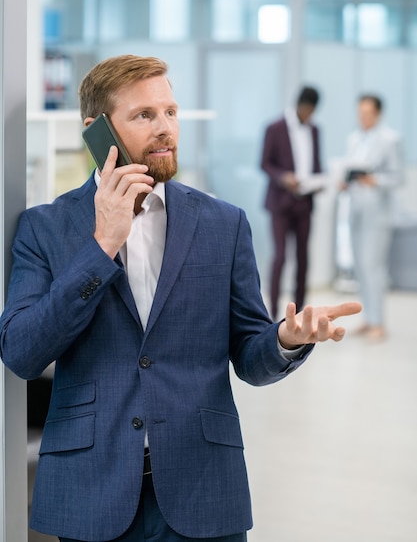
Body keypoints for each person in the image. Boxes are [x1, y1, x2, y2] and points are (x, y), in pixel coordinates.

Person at [0, 55, 360, 542]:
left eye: (170, 112)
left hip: (203, 485)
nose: (165, 128)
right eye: (144, 115)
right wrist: (102, 245)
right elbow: (22, 352)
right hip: (91, 490)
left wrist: (285, 340)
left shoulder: (223, 223)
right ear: (96, 130)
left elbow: (250, 354)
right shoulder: (45, 228)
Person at [340, 94, 402, 341]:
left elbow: (398, 177)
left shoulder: (390, 140)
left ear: (378, 114)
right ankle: (368, 319)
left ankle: (379, 322)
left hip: (377, 216)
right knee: (361, 268)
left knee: (374, 268)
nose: (363, 117)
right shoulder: (354, 139)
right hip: (356, 210)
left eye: (367, 113)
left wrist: (373, 180)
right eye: (360, 112)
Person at [260, 86, 323, 321]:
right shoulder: (274, 128)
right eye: (307, 110)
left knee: (303, 258)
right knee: (280, 257)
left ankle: (298, 314)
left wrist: (320, 180)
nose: (309, 115)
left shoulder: (315, 130)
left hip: (305, 202)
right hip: (281, 202)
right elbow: (265, 163)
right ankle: (273, 314)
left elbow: (316, 163)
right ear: (300, 105)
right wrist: (284, 177)